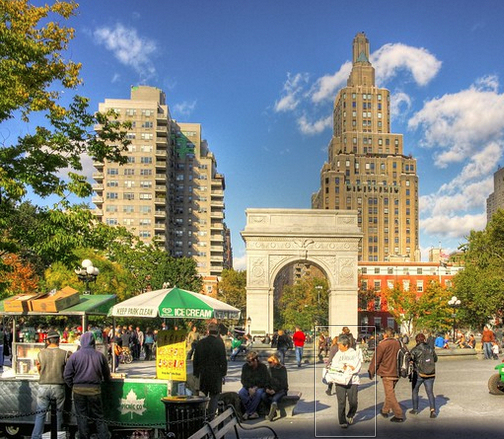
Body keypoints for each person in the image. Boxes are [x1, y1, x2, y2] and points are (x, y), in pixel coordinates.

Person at [64, 331, 111, 439]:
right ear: (93, 342)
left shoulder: (74, 356)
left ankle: (84, 436)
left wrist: (73, 386)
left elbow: (67, 375)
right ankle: (103, 436)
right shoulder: (100, 356)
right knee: (99, 417)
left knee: (81, 417)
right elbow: (107, 375)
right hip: (95, 391)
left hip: (78, 391)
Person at [31, 330, 70, 439]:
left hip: (43, 385)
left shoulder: (40, 353)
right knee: (58, 415)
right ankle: (56, 436)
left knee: (40, 414)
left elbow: (38, 368)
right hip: (58, 386)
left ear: (48, 341)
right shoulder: (64, 353)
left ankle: (36, 436)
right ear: (58, 340)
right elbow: (68, 371)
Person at [368, 327, 404, 422]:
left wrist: (371, 371)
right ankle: (385, 410)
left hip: (387, 371)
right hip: (397, 371)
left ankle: (398, 414)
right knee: (390, 392)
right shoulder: (399, 343)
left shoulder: (383, 345)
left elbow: (376, 359)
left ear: (385, 335)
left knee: (390, 393)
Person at [193, 323, 227, 420]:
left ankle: (201, 417)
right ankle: (211, 418)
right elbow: (223, 360)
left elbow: (196, 359)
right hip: (216, 374)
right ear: (217, 331)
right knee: (214, 397)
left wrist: (196, 373)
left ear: (208, 331)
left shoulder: (201, 342)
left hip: (203, 374)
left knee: (202, 397)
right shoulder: (219, 343)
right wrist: (223, 373)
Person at [331, 334, 362, 428]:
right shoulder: (338, 354)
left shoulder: (354, 353)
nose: (338, 347)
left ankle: (350, 414)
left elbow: (356, 367)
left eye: (340, 345)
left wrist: (346, 367)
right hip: (339, 380)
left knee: (353, 402)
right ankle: (342, 421)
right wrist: (345, 366)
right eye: (338, 345)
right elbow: (334, 365)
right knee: (341, 402)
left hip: (352, 381)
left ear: (346, 345)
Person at [409, 333, 438, 418]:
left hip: (419, 374)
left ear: (417, 340)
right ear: (424, 339)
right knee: (430, 392)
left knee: (415, 391)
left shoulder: (414, 350)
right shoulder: (430, 348)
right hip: (431, 373)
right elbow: (435, 359)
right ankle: (433, 411)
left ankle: (415, 409)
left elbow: (410, 360)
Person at [238, 351, 269, 420]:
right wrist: (249, 388)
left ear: (255, 360)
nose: (248, 363)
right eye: (247, 361)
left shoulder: (263, 367)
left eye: (250, 361)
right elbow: (243, 380)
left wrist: (255, 388)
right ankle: (253, 412)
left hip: (259, 387)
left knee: (258, 393)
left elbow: (265, 380)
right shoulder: (245, 367)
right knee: (241, 393)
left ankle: (248, 412)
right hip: (248, 386)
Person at [262, 354, 288, 421]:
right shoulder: (269, 369)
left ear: (275, 361)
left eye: (270, 362)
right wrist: (267, 388)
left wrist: (275, 390)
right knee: (263, 396)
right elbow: (267, 380)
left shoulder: (282, 369)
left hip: (281, 389)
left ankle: (271, 415)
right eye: (268, 362)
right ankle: (273, 412)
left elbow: (283, 383)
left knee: (274, 399)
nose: (269, 364)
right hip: (271, 389)